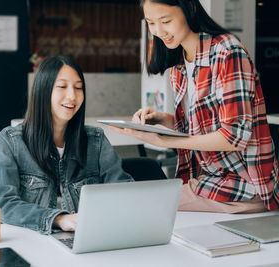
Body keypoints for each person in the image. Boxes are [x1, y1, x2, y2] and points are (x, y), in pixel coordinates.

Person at [112, 0, 279, 212]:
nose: (159, 31)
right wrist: (164, 120)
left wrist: (165, 141)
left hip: (243, 186)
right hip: (209, 182)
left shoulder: (227, 51)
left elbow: (234, 136)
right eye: (151, 23)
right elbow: (201, 129)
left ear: (189, 9)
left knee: (139, 204)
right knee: (139, 203)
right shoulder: (179, 66)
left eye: (166, 21)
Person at [0, 56, 133, 235]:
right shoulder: (10, 142)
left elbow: (123, 190)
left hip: (89, 239)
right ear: (43, 90)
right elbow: (3, 205)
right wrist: (59, 219)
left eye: (78, 87)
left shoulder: (95, 140)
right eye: (62, 87)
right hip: (34, 242)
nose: (72, 96)